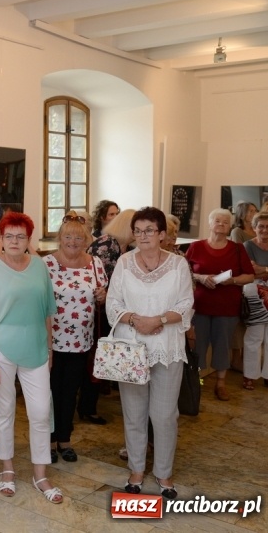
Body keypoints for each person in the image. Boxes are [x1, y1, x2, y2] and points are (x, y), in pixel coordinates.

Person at [0, 212, 63, 504]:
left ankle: (40, 474)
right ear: (1, 238)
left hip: (35, 349)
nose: (14, 241)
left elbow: (47, 313)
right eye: (8, 235)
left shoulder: (39, 267)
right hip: (0, 349)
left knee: (40, 413)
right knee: (4, 411)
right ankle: (7, 469)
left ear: (28, 240)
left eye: (20, 236)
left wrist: (49, 349)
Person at [106, 207, 194, 500]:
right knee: (133, 414)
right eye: (138, 230)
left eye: (149, 230)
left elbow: (185, 304)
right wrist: (134, 319)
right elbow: (112, 303)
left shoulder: (178, 265)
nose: (143, 236)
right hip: (130, 348)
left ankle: (164, 473)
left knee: (165, 415)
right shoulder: (124, 262)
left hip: (167, 347)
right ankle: (136, 470)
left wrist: (159, 320)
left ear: (162, 235)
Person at [43, 215, 107, 464]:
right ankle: (48, 440)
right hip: (50, 341)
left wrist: (102, 296)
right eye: (68, 236)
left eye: (78, 237)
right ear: (60, 238)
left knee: (70, 391)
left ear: (86, 240)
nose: (73, 241)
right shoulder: (45, 264)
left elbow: (102, 294)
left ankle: (64, 439)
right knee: (49, 391)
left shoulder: (95, 263)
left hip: (81, 341)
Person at [186, 208, 255, 400]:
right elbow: (184, 272)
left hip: (226, 307)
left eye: (225, 221)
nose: (221, 224)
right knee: (198, 345)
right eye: (217, 220)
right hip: (199, 305)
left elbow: (250, 275)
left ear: (230, 225)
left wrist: (231, 281)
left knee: (222, 344)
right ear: (209, 224)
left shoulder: (237, 248)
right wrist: (201, 277)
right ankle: (197, 382)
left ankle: (220, 383)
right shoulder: (196, 246)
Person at [82, 208, 137, 423]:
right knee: (95, 359)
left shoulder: (127, 247)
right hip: (99, 311)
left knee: (104, 359)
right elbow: (97, 279)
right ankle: (87, 407)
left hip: (116, 311)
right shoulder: (106, 245)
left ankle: (92, 403)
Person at [242, 212, 268, 390]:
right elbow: (250, 271)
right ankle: (250, 375)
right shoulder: (247, 245)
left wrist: (264, 269)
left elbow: (258, 270)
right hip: (254, 293)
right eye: (260, 226)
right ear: (254, 228)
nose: (264, 229)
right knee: (254, 337)